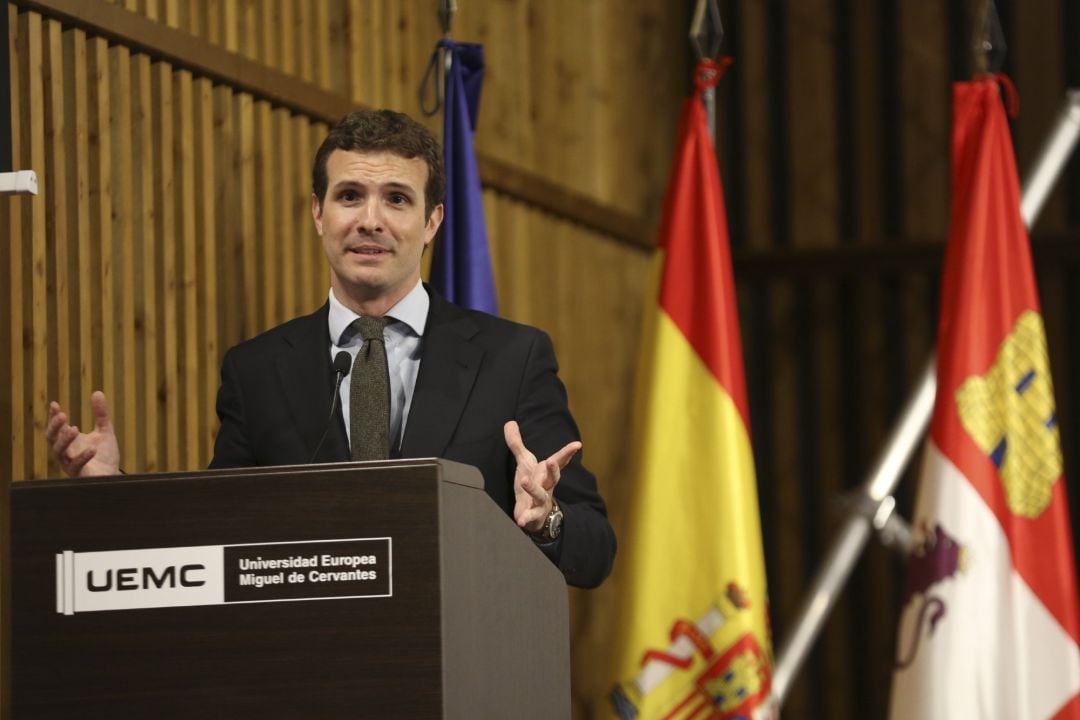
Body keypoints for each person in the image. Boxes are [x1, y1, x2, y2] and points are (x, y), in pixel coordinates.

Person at [44, 108, 615, 589]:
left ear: (433, 220)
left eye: (396, 199)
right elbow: (216, 540)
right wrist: (112, 495)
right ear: (318, 213)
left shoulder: (513, 358)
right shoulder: (258, 370)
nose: (371, 221)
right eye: (349, 196)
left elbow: (595, 551)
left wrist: (546, 520)